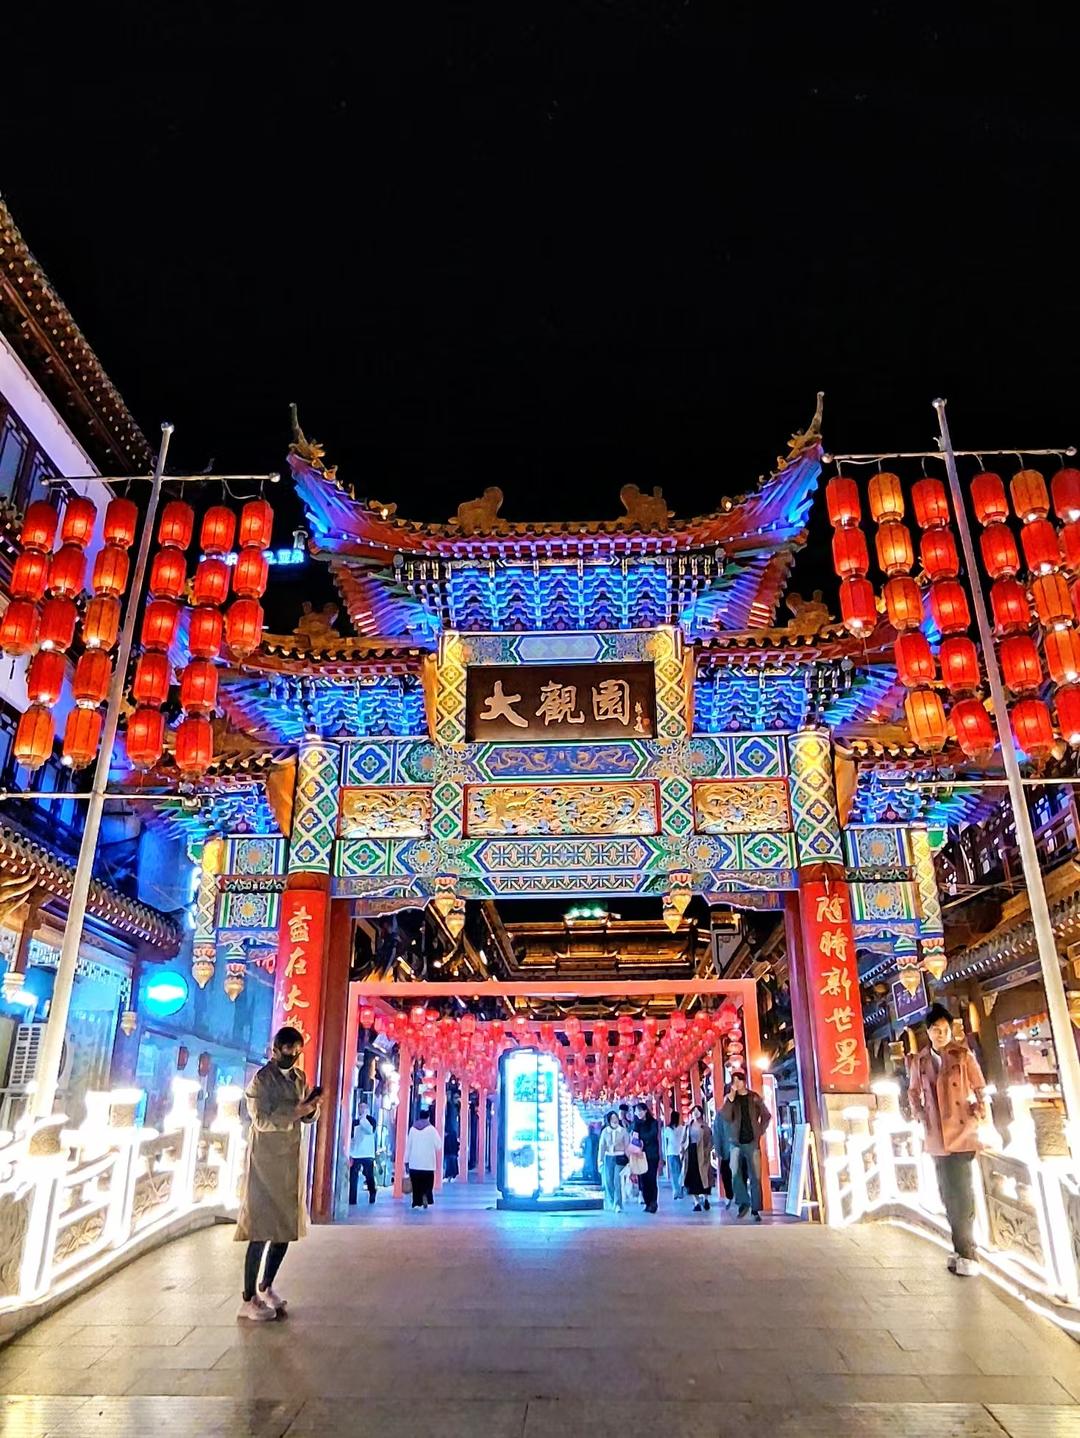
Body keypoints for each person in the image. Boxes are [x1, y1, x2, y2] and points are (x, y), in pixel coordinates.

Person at [235, 1025, 320, 1321]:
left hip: (289, 1160)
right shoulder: (261, 1080)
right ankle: (248, 1297)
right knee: (261, 1229)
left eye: (297, 1051)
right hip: (265, 1161)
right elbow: (260, 1120)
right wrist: (295, 1113)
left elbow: (307, 1114)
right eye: (288, 1051)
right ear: (275, 1050)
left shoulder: (299, 1078)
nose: (293, 1056)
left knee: (285, 1229)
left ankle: (267, 1285)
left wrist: (311, 1109)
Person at [907, 1002, 988, 1277]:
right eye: (935, 1030)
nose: (940, 1034)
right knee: (946, 1193)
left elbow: (980, 1086)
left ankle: (968, 1254)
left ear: (950, 1030)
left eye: (944, 1029)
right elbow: (913, 1092)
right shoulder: (921, 1061)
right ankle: (959, 1249)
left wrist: (979, 1111)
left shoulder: (962, 1055)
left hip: (962, 1131)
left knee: (962, 1193)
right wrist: (920, 1114)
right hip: (936, 1135)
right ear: (928, 1032)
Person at [720, 1071, 771, 1221]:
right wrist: (730, 1100)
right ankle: (743, 1202)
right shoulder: (731, 1099)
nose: (736, 1084)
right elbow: (725, 1117)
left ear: (744, 1082)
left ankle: (755, 1209)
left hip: (752, 1142)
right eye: (734, 1082)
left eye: (738, 1081)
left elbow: (766, 1115)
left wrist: (760, 1130)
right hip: (735, 1142)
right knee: (735, 1173)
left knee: (755, 1176)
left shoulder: (754, 1097)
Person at [405, 1108, 443, 1209]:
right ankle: (426, 1195)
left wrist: (406, 1160)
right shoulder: (432, 1130)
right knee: (427, 1184)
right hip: (428, 1163)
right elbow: (439, 1146)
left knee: (416, 1185)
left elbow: (408, 1146)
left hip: (414, 1163)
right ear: (428, 1117)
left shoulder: (412, 1129)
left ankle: (416, 1202)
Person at [680, 1102, 714, 1212]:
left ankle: (705, 1199)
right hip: (690, 1153)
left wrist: (706, 1152)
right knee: (691, 1177)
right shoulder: (688, 1126)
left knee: (703, 1176)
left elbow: (710, 1141)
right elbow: (683, 1140)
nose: (695, 1113)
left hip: (702, 1154)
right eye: (694, 1111)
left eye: (697, 1111)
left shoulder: (705, 1127)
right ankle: (696, 1202)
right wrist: (682, 1150)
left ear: (701, 1113)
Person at [597, 1108, 630, 1212]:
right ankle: (612, 1202)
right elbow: (601, 1147)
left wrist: (630, 1160)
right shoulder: (605, 1132)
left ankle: (618, 1204)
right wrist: (600, 1161)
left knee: (617, 1181)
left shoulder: (623, 1131)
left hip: (620, 1158)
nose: (614, 1120)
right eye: (612, 1119)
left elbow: (627, 1146)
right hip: (608, 1158)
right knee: (608, 1181)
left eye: (616, 1118)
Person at [631, 1101, 661, 1212]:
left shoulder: (653, 1122)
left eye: (640, 1111)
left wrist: (642, 1140)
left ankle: (653, 1202)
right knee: (643, 1180)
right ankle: (647, 1202)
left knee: (651, 1179)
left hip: (651, 1155)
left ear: (645, 1111)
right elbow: (634, 1138)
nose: (638, 1113)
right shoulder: (636, 1124)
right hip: (640, 1155)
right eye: (636, 1111)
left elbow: (652, 1135)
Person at [349, 1099, 377, 1206]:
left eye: (363, 1107)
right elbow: (352, 1138)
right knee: (353, 1176)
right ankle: (352, 1199)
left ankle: (372, 1192)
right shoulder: (355, 1122)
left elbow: (369, 1130)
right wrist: (350, 1152)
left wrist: (363, 1118)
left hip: (368, 1154)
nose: (361, 1109)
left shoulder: (371, 1120)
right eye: (360, 1107)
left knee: (369, 1175)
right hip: (356, 1153)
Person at [710, 1101, 734, 1207]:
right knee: (726, 1173)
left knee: (735, 1173)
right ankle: (730, 1194)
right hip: (727, 1151)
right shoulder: (720, 1115)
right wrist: (718, 1149)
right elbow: (717, 1133)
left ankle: (735, 1195)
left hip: (737, 1150)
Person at [663, 1108, 686, 1200]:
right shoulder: (682, 1128)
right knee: (680, 1172)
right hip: (679, 1152)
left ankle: (676, 1191)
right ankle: (679, 1190)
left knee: (674, 1173)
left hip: (671, 1152)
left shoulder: (668, 1129)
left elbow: (666, 1142)